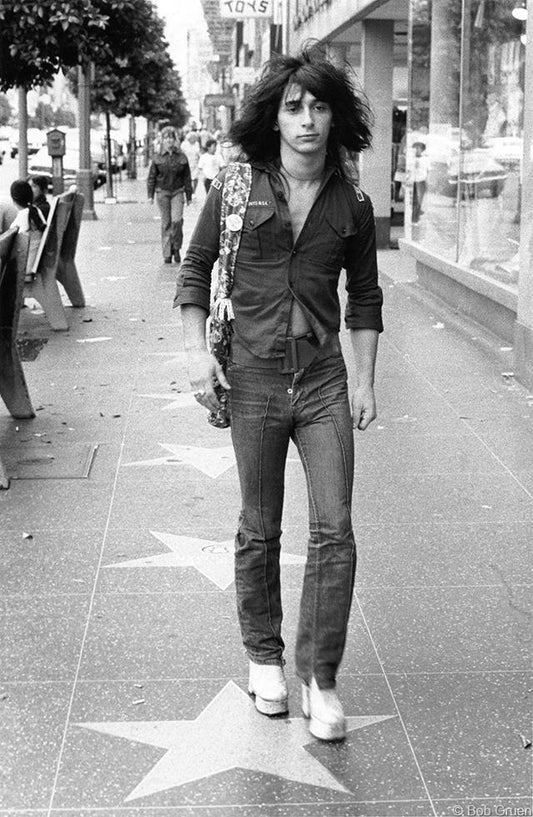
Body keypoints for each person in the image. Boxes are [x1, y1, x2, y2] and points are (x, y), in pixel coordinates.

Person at [175, 46, 383, 742]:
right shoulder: (236, 188)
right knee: (259, 527)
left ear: (335, 116)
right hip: (255, 377)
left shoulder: (351, 202)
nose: (306, 120)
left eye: (319, 106)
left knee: (335, 530)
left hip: (322, 380)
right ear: (274, 117)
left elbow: (365, 297)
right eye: (293, 107)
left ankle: (319, 676)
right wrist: (196, 356)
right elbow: (195, 268)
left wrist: (365, 378)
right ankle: (263, 657)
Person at [147, 126, 192, 264]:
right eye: (166, 138)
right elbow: (152, 177)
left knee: (177, 221)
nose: (169, 141)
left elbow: (187, 177)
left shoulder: (182, 157)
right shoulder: (157, 157)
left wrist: (189, 195)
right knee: (166, 223)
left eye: (171, 138)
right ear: (163, 140)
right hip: (162, 192)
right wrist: (150, 194)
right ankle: (167, 253)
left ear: (175, 140)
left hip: (178, 191)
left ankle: (177, 247)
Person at [409, 141, 429, 224]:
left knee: (419, 200)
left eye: (418, 148)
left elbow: (427, 171)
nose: (416, 150)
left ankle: (415, 218)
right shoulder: (411, 159)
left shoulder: (425, 159)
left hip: (420, 181)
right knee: (413, 201)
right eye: (415, 148)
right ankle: (412, 218)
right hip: (412, 181)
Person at [180, 132, 201, 196]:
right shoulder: (184, 144)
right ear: (189, 138)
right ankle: (187, 191)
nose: (195, 139)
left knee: (195, 178)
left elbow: (198, 153)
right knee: (187, 178)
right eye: (193, 138)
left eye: (195, 138)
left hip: (195, 163)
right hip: (186, 163)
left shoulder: (197, 144)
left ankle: (193, 191)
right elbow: (181, 153)